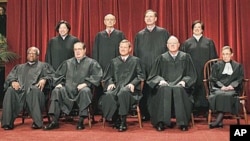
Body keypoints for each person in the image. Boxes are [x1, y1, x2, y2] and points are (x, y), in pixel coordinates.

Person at [43, 42, 103, 130]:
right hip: (67, 91)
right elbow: (58, 76)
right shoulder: (67, 63)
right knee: (56, 91)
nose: (77, 52)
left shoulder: (92, 63)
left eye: (79, 49)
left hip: (81, 92)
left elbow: (97, 76)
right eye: (75, 50)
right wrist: (60, 83)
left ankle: (81, 121)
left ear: (84, 50)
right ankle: (54, 121)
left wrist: (86, 83)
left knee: (85, 91)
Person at [147, 36, 197, 131]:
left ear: (178, 45)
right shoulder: (161, 58)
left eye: (175, 43)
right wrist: (161, 81)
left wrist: (184, 81)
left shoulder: (185, 57)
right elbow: (153, 75)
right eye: (170, 43)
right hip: (165, 85)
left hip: (181, 85)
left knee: (179, 89)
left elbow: (191, 74)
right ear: (167, 45)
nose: (173, 45)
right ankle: (161, 122)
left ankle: (183, 123)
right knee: (164, 89)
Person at [1, 47, 55, 130]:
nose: (31, 54)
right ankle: (7, 123)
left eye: (34, 53)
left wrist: (44, 79)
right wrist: (13, 81)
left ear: (38, 56)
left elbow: (53, 77)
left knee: (35, 90)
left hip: (35, 93)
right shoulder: (19, 67)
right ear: (27, 55)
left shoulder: (44, 66)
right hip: (20, 93)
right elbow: (10, 78)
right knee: (10, 90)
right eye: (29, 53)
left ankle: (37, 123)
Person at [100, 39, 145, 132]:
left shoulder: (136, 61)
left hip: (130, 90)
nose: (123, 49)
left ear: (130, 49)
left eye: (125, 47)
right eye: (121, 47)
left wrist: (133, 84)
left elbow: (141, 76)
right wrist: (111, 83)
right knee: (108, 95)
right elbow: (108, 76)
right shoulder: (113, 61)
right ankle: (114, 118)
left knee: (123, 93)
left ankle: (123, 121)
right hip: (116, 87)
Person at [134, 9, 170, 121]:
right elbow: (136, 52)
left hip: (159, 67)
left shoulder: (163, 32)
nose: (149, 18)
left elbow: (168, 49)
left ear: (155, 19)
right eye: (147, 17)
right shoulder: (139, 35)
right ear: (144, 19)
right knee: (144, 91)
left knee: (158, 89)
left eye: (151, 16)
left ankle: (159, 114)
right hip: (144, 67)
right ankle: (145, 113)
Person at [181, 20, 218, 114]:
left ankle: (206, 109)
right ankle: (193, 109)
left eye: (199, 27)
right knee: (193, 87)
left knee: (205, 87)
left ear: (202, 30)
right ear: (192, 29)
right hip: (192, 71)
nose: (197, 29)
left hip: (206, 71)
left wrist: (212, 71)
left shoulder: (209, 42)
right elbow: (184, 59)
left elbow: (214, 57)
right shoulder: (187, 43)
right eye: (195, 27)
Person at [92, 14, 126, 115]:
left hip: (116, 67)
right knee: (101, 88)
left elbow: (123, 51)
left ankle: (116, 111)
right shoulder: (99, 35)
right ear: (104, 21)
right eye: (107, 19)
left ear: (115, 21)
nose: (110, 21)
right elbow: (95, 52)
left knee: (114, 88)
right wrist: (96, 67)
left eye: (112, 20)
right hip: (102, 65)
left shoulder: (120, 34)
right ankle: (101, 110)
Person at [208, 46, 244, 129]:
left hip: (232, 89)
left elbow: (240, 79)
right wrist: (222, 86)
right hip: (219, 88)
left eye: (227, 54)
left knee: (227, 95)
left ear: (232, 54)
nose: (225, 56)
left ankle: (218, 121)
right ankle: (219, 121)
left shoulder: (238, 66)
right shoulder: (216, 65)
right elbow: (213, 78)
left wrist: (232, 86)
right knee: (219, 95)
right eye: (223, 54)